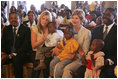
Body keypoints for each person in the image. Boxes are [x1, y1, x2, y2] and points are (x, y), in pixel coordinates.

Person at [1, 12, 33, 78]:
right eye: (11, 18)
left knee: (16, 59)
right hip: (8, 54)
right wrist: (3, 52)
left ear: (19, 19)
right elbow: (3, 44)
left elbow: (26, 46)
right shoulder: (6, 29)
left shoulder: (26, 29)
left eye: (15, 18)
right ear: (9, 20)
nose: (13, 20)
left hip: (22, 54)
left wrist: (14, 54)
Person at [62, 9, 91, 78]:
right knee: (57, 66)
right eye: (73, 18)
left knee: (67, 69)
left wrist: (75, 55)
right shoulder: (69, 29)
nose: (74, 20)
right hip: (68, 55)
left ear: (81, 20)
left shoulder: (87, 32)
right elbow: (64, 43)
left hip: (79, 58)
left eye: (76, 18)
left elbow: (85, 50)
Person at [91, 8, 117, 78]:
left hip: (110, 63)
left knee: (104, 75)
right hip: (94, 61)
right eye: (104, 14)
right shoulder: (96, 30)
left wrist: (108, 61)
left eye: (108, 15)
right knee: (81, 72)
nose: (104, 16)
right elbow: (91, 47)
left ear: (114, 17)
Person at [31, 10, 52, 78]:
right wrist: (43, 39)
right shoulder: (35, 28)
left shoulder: (50, 29)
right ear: (40, 18)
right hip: (36, 51)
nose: (44, 21)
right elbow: (33, 46)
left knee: (47, 62)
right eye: (43, 18)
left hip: (48, 52)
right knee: (38, 64)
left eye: (47, 20)